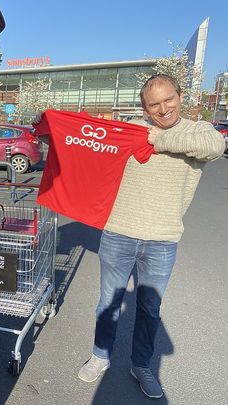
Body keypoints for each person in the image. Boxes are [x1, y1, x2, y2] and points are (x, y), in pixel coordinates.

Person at [38, 74, 225, 399]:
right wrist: (54, 129)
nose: (163, 108)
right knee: (107, 303)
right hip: (118, 234)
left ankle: (142, 366)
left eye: (169, 99)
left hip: (163, 239)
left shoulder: (198, 131)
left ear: (180, 96)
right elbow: (85, 148)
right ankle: (100, 356)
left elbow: (216, 147)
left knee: (150, 309)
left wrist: (160, 140)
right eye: (154, 104)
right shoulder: (129, 132)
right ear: (144, 107)